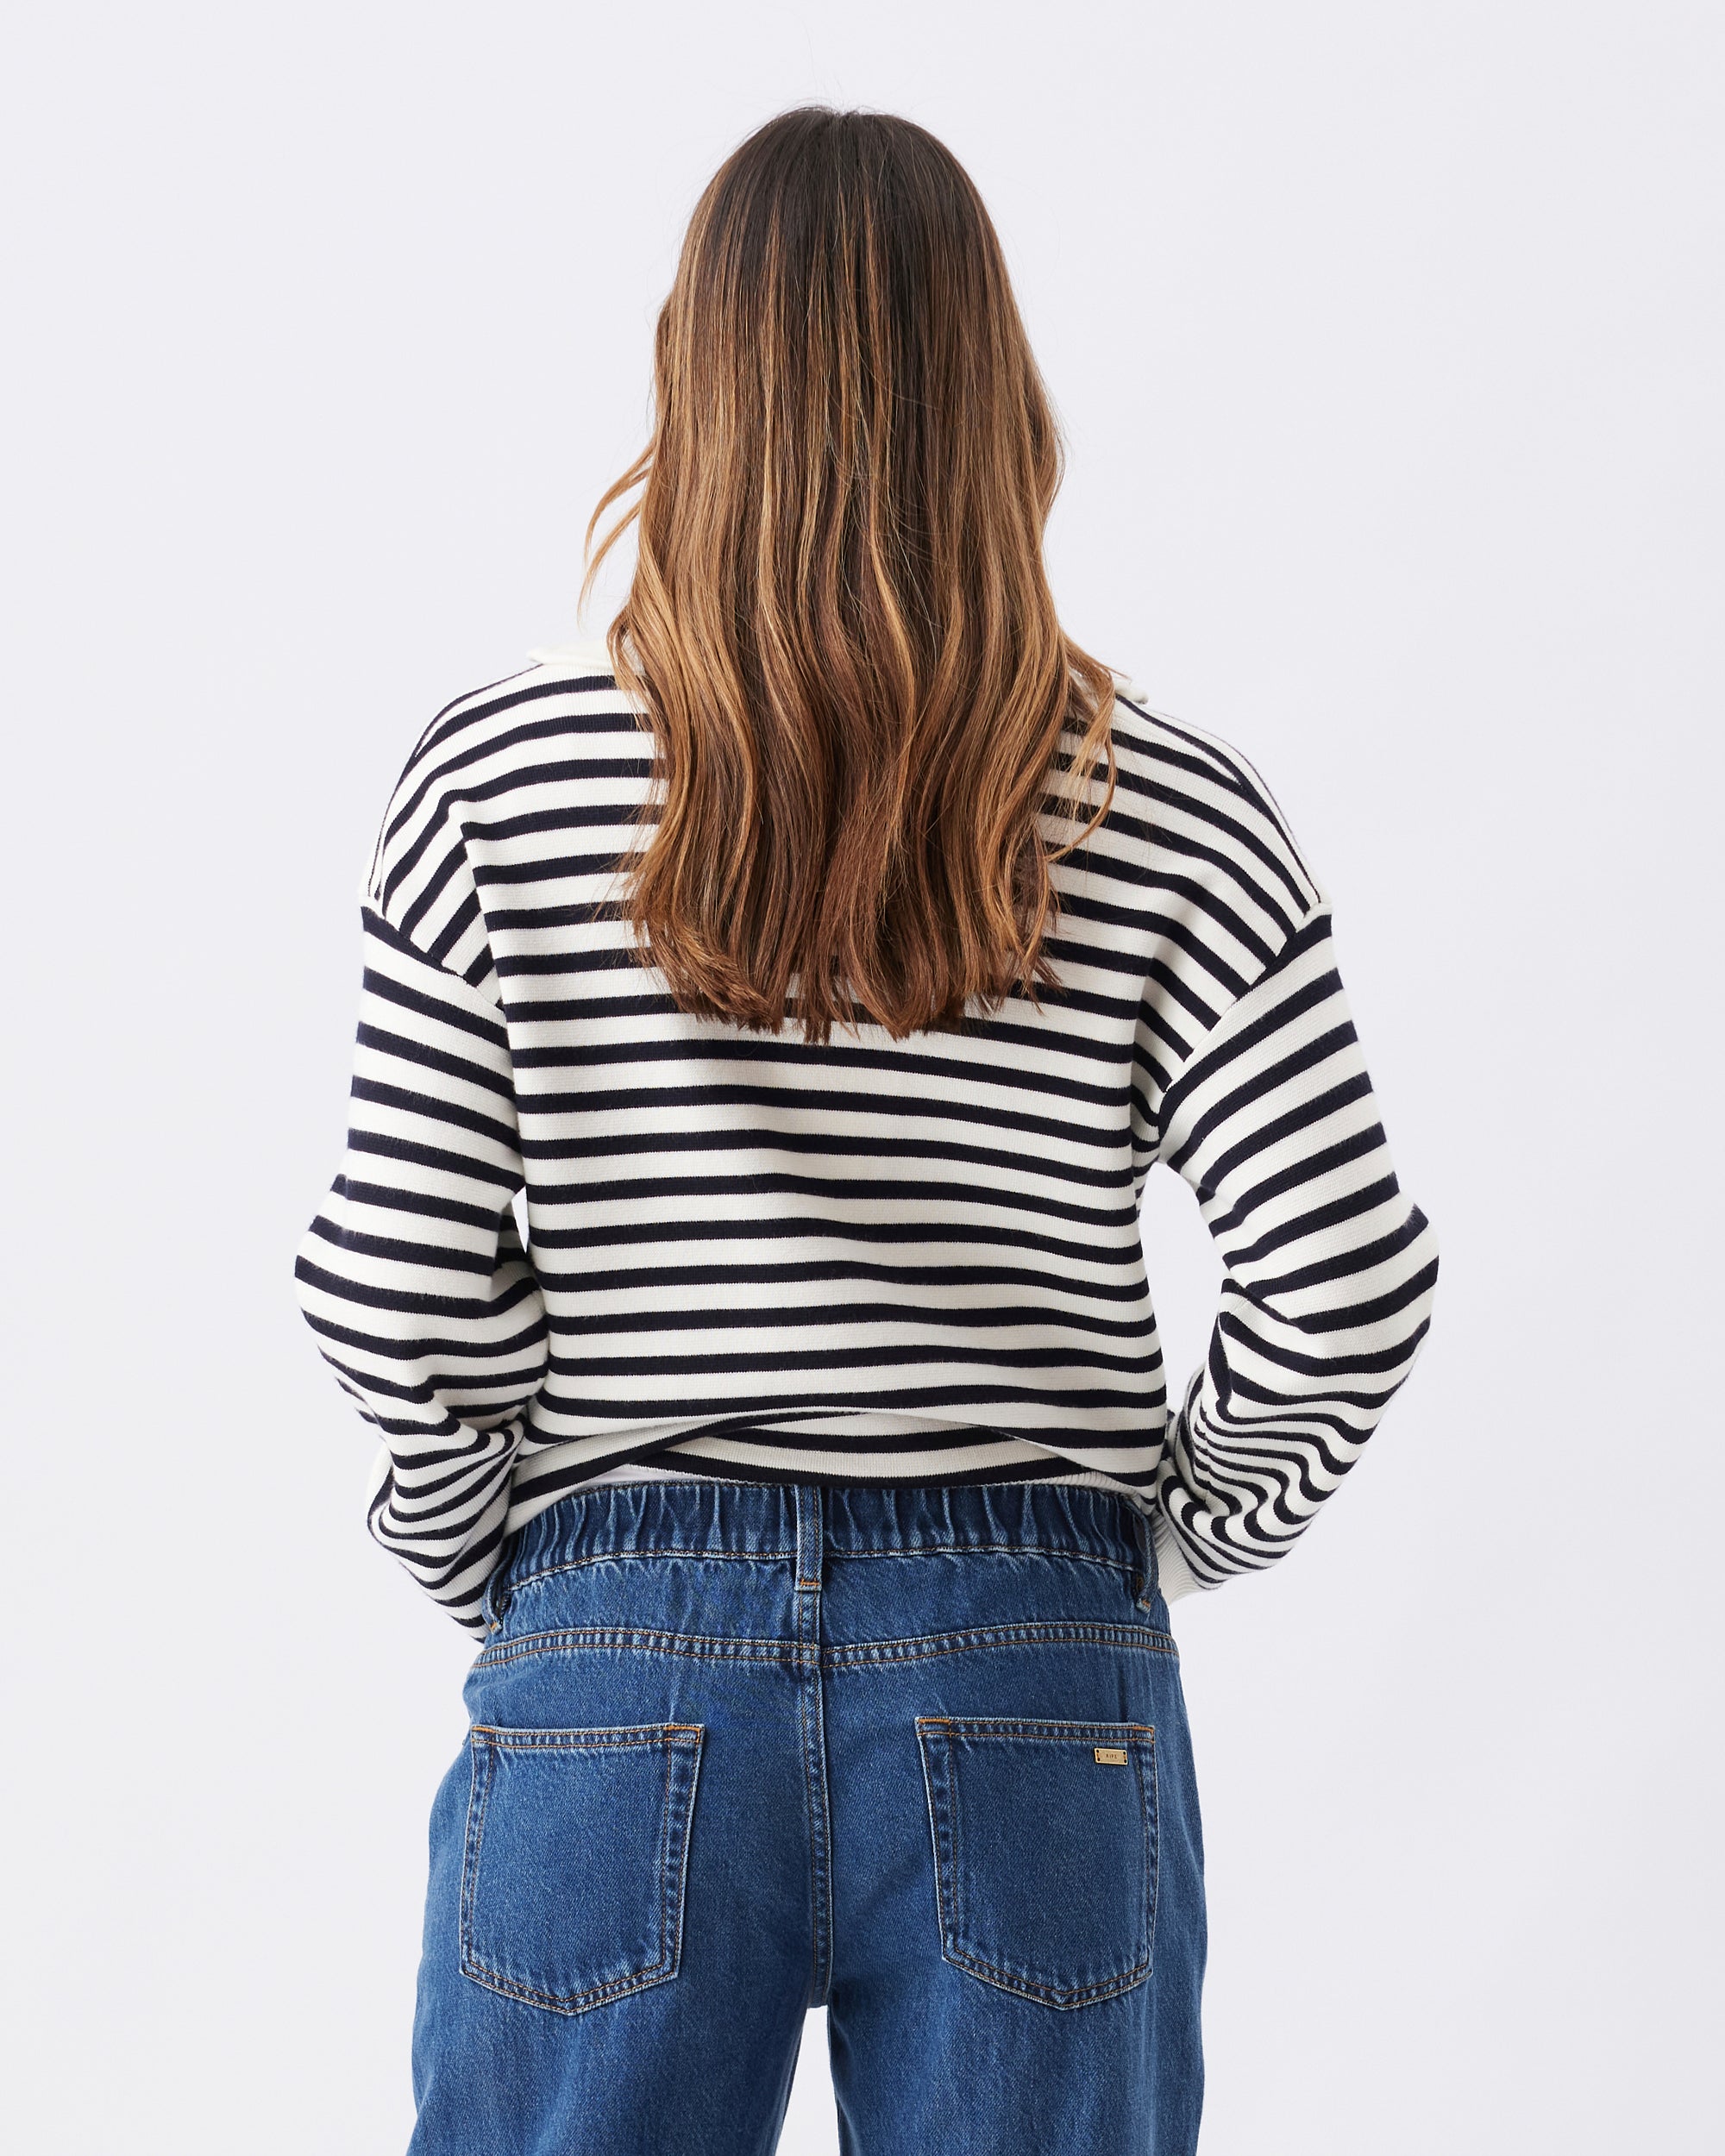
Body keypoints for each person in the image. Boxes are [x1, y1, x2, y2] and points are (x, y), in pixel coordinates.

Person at [295, 105, 1437, 2156]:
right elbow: (1344, 1282)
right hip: (1036, 1663)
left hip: (612, 1652)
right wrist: (1161, 1537)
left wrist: (506, 1565)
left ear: (691, 382)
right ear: (999, 401)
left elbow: (393, 1291)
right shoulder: (1163, 804)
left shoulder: (499, 776)